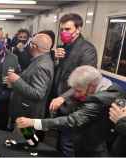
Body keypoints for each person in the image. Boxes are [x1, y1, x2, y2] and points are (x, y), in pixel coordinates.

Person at [16, 65, 123, 156]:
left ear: (91, 86)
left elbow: (72, 121)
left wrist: (33, 122)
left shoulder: (98, 100)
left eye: (78, 90)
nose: (75, 94)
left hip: (94, 149)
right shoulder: (112, 86)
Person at [49, 13, 98, 156]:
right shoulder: (63, 46)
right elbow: (60, 73)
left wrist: (63, 97)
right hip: (59, 103)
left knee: (68, 144)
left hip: (73, 105)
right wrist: (55, 59)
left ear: (78, 29)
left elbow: (85, 80)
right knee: (59, 140)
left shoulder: (87, 49)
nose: (63, 33)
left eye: (67, 29)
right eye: (62, 29)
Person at [7, 33, 54, 137]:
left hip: (28, 116)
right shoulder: (40, 60)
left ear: (34, 46)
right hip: (26, 112)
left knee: (24, 141)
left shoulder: (42, 66)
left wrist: (17, 80)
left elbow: (38, 94)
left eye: (30, 43)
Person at [0, 26, 20, 130]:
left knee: (2, 125)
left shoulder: (13, 57)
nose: (0, 42)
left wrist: (13, 82)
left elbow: (19, 76)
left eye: (1, 39)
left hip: (5, 97)